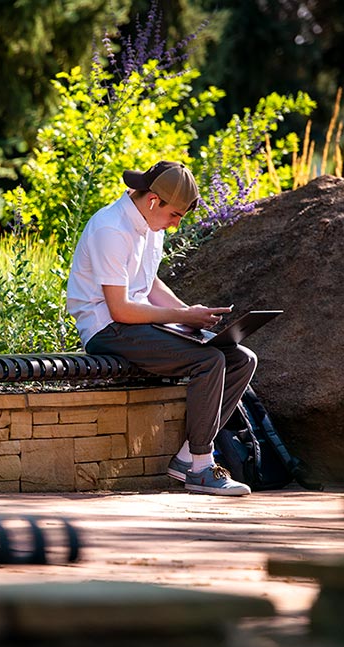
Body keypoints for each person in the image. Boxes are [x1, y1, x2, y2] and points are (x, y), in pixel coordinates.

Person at [66, 161, 257, 496]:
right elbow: (120, 309)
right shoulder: (111, 229)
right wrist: (179, 316)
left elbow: (150, 284)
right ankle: (201, 467)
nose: (174, 224)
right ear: (154, 200)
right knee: (209, 360)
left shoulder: (148, 227)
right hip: (106, 330)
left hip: (136, 325)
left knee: (242, 359)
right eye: (175, 215)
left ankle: (187, 457)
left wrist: (187, 314)